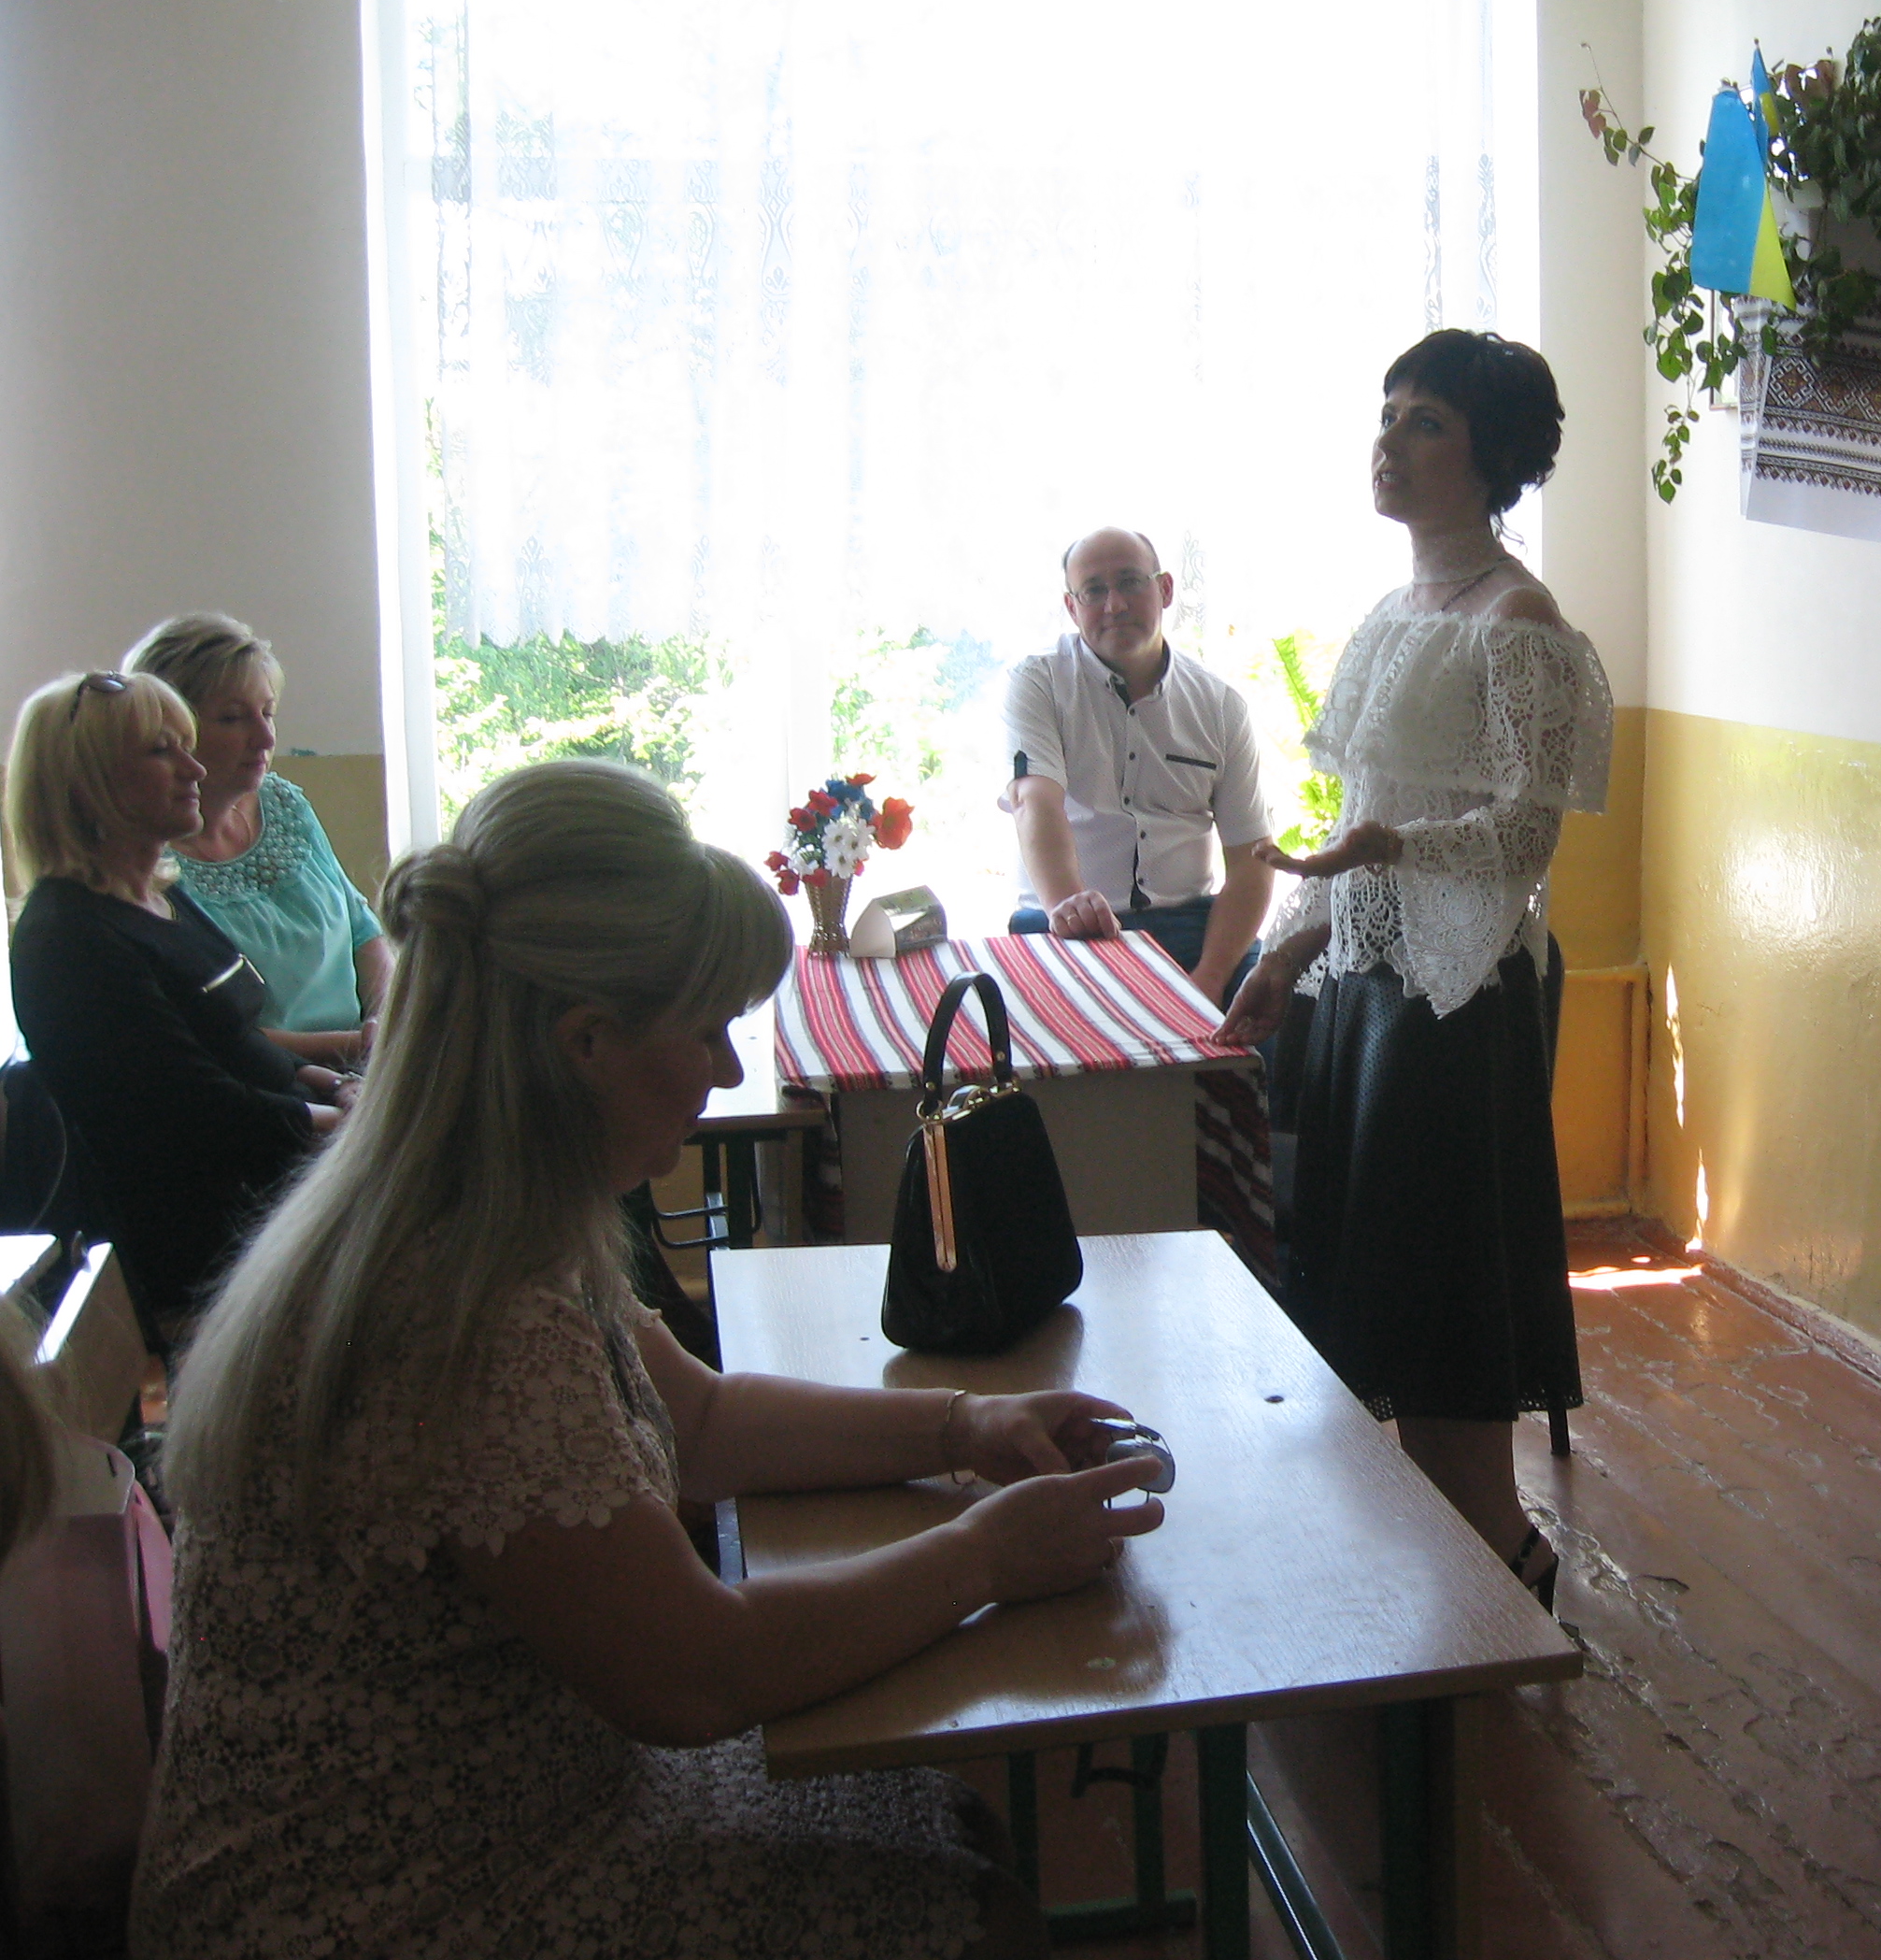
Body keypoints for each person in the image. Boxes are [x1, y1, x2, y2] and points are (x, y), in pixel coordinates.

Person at [136, 759, 1164, 1959]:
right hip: (390, 1906)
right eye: (707, 1027)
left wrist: (965, 1428)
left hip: (464, 1825)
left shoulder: (464, 1214)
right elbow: (696, 1676)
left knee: (947, 1826)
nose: (728, 1068)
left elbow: (706, 1423)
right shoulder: (464, 1313)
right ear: (584, 1042)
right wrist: (985, 1552)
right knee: (965, 1893)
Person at [1218, 331, 1612, 1611]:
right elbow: (1356, 814)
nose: (1389, 440)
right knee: (1373, 1287)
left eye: (1426, 420)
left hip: (1462, 1002)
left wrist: (1391, 849)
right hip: (1367, 997)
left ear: (1494, 457)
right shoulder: (1393, 615)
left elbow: (1523, 839)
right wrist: (1289, 949)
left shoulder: (1521, 625)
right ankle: (1434, 1576)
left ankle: (1504, 1560)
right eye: (1388, 413)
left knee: (1441, 1296)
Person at [5, 671, 349, 1351]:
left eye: (187, 747)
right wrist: (348, 1128)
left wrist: (335, 1084)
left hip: (266, 1188)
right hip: (206, 1243)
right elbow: (194, 1111)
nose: (195, 770)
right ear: (86, 785)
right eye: (162, 752)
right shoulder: (69, 937)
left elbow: (238, 1040)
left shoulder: (159, 893)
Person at [1002, 526, 1276, 1004]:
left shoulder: (1219, 705)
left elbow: (1252, 859)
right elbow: (1034, 800)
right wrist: (1069, 905)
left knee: (1274, 1007)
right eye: (1093, 591)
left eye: (1130, 582)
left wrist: (1208, 982)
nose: (1114, 605)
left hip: (1191, 931)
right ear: (1071, 607)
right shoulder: (1039, 681)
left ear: (1165, 589)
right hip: (1065, 925)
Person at [124, 611, 390, 1067]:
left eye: (268, 713)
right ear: (173, 731)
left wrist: (385, 1022)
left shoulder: (284, 803)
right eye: (232, 719)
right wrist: (357, 1047)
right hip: (267, 1080)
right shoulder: (145, 860)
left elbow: (363, 931)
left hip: (365, 1057)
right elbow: (205, 1035)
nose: (265, 737)